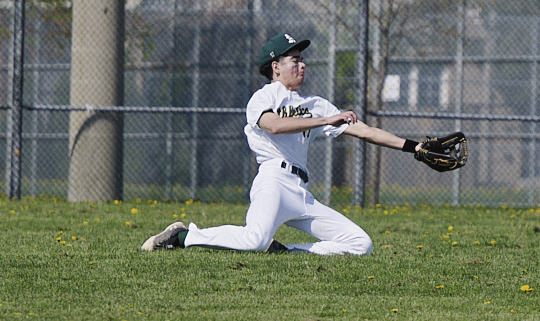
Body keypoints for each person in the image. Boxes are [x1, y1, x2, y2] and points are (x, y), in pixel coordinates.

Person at [141, 33, 429, 255]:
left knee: (360, 243)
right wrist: (325, 120)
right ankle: (181, 237)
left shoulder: (315, 104)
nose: (302, 65)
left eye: (302, 59)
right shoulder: (264, 97)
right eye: (295, 60)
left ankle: (286, 252)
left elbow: (364, 131)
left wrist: (415, 147)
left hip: (300, 191)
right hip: (274, 182)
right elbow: (275, 126)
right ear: (276, 67)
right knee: (254, 239)